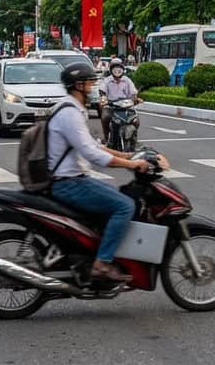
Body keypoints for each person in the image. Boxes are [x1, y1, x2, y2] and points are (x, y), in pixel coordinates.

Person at [47, 61, 160, 284]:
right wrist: (132, 165)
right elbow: (94, 155)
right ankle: (102, 263)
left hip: (73, 179)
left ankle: (93, 252)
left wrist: (129, 155)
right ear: (79, 86)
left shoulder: (72, 108)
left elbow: (93, 145)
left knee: (118, 196)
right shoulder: (70, 113)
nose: (92, 89)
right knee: (124, 205)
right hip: (69, 183)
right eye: (89, 84)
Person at [99, 57, 141, 138]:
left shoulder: (127, 80)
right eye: (115, 68)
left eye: (119, 68)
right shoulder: (107, 81)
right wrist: (103, 98)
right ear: (111, 70)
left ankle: (133, 138)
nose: (117, 71)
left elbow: (133, 92)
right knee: (105, 117)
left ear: (122, 69)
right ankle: (106, 137)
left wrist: (135, 98)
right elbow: (102, 90)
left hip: (126, 107)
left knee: (136, 121)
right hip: (111, 106)